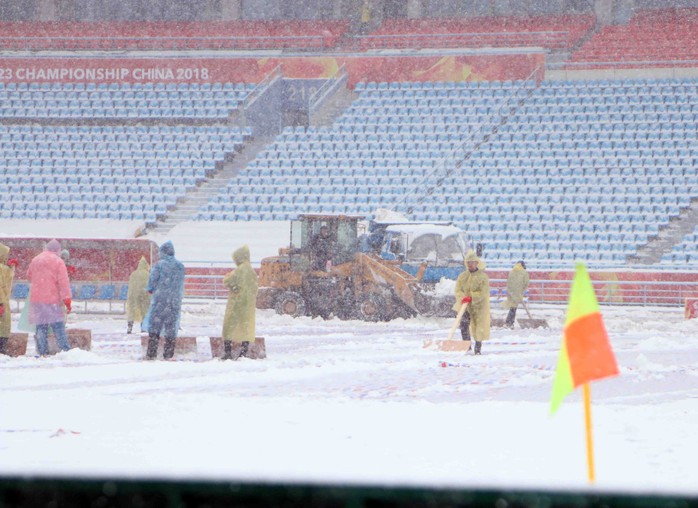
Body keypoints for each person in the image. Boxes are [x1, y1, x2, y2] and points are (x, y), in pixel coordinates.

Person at [26, 239, 73, 356]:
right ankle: (65, 350)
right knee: (58, 326)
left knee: (41, 327)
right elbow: (63, 283)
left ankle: (42, 351)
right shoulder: (58, 262)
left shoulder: (36, 259)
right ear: (57, 250)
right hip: (52, 300)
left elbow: (28, 276)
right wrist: (67, 300)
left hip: (37, 299)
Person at [145, 241, 185, 360]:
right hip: (174, 301)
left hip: (160, 300)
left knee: (155, 327)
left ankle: (152, 353)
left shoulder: (159, 265)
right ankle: (168, 353)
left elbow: (152, 281)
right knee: (171, 327)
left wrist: (150, 289)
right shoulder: (180, 266)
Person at [221, 245, 259, 360]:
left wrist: (233, 285)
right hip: (248, 305)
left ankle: (228, 352)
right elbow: (255, 288)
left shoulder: (240, 269)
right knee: (246, 328)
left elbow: (227, 281)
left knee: (229, 327)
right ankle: (243, 352)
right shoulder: (252, 271)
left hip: (236, 303)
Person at [452, 250, 490, 355]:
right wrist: (463, 297)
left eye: (472, 262)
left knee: (479, 327)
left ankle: (477, 349)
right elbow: (458, 290)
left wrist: (473, 297)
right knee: (464, 324)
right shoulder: (462, 276)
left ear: (477, 263)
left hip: (479, 306)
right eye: (468, 262)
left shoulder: (482, 277)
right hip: (465, 305)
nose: (470, 264)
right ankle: (466, 347)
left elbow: (483, 292)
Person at [0, 243, 18, 355]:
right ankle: (1, 349)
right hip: (1, 301)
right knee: (3, 326)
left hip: (3, 301)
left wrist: (10, 267)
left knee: (4, 326)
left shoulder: (2, 267)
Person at [126, 256, 151, 334]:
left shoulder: (133, 274)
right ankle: (143, 328)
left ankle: (130, 327)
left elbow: (130, 285)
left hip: (133, 295)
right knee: (144, 311)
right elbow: (150, 285)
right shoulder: (148, 274)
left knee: (132, 311)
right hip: (144, 296)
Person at [502, 260, 530, 328]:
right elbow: (526, 283)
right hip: (518, 292)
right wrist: (522, 291)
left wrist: (510, 291)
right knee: (513, 308)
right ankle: (509, 323)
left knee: (512, 307)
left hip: (511, 292)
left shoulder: (512, 271)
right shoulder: (524, 272)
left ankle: (509, 322)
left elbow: (508, 281)